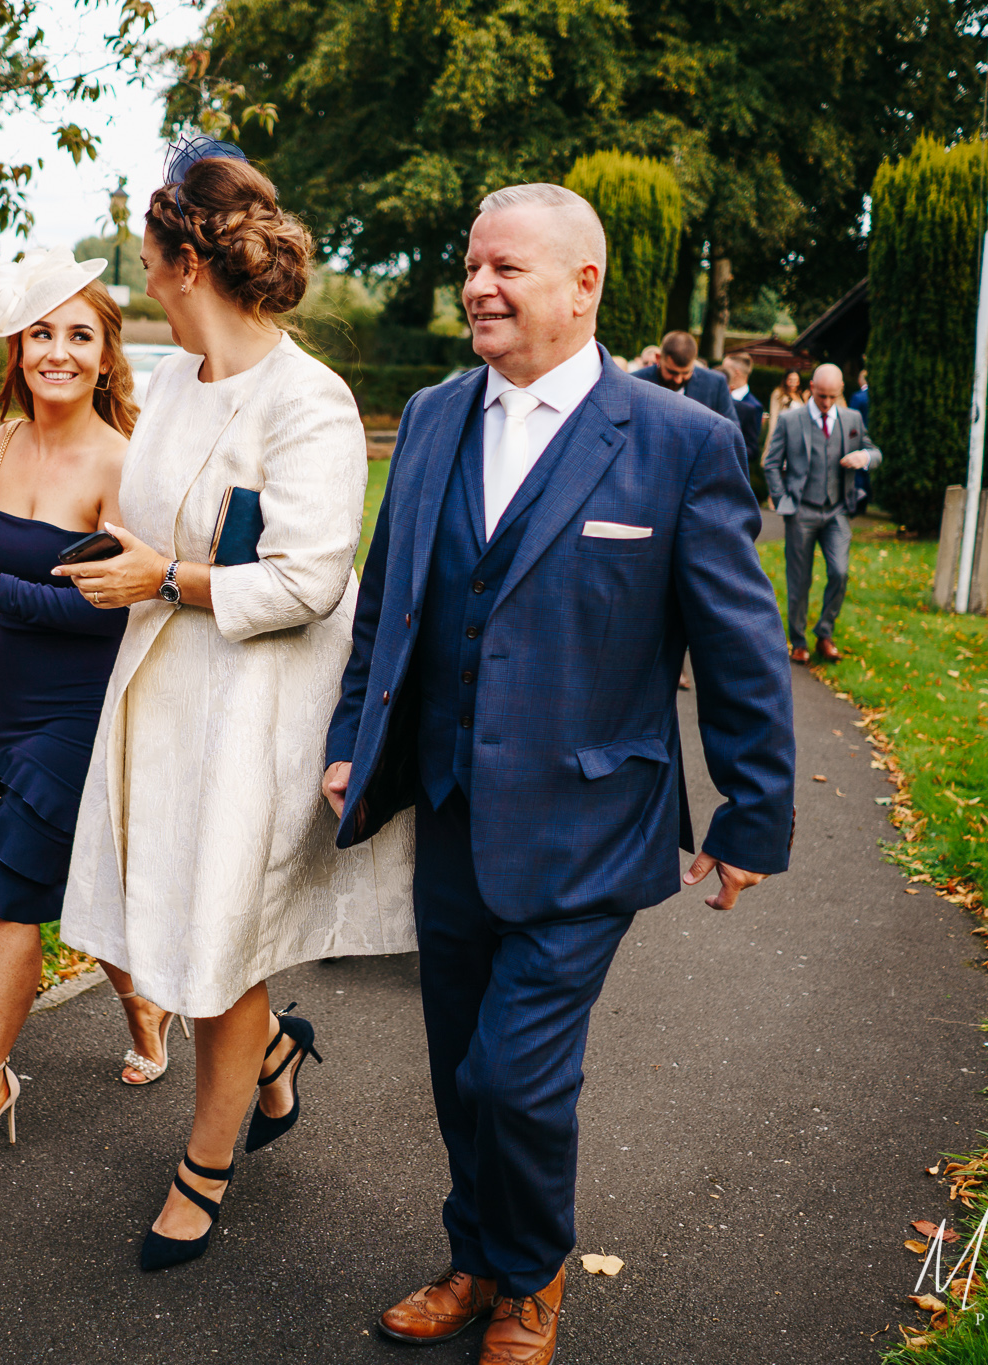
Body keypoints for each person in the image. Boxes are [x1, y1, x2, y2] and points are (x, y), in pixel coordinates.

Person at [324, 183, 795, 1365]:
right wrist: (350, 739)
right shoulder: (433, 416)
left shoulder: (680, 441)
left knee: (514, 1076)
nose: (479, 285)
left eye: (507, 269)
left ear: (583, 285)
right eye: (471, 265)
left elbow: (737, 642)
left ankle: (528, 1278)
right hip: (448, 808)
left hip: (593, 817)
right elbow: (389, 600)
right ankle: (474, 1254)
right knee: (454, 1069)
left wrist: (751, 814)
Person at [56, 137, 416, 1272]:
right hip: (159, 689)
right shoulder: (169, 377)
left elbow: (311, 578)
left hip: (258, 703)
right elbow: (150, 512)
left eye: (148, 256)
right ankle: (270, 1061)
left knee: (220, 934)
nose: (142, 273)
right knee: (171, 918)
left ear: (181, 265)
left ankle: (203, 1167)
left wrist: (165, 577)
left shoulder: (311, 402)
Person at [0, 250, 164, 1171]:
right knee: (93, 877)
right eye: (42, 333)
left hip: (86, 711)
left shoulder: (120, 464)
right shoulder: (3, 446)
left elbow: (119, 607)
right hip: (13, 703)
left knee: (12, 888)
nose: (58, 351)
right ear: (19, 348)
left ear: (104, 355)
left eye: (78, 335)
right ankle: (145, 1008)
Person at [763, 361, 880, 663]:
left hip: (838, 510)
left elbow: (875, 452)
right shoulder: (791, 420)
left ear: (841, 391)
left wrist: (863, 456)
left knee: (840, 572)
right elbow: (771, 463)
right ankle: (799, 640)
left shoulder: (852, 418)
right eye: (821, 396)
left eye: (832, 396)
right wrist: (782, 498)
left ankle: (824, 634)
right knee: (799, 580)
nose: (826, 403)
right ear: (812, 388)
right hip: (801, 510)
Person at [632, 330, 736, 421]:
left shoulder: (715, 384)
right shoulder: (635, 382)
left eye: (686, 373)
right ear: (658, 358)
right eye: (672, 372)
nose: (678, 380)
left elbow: (732, 431)